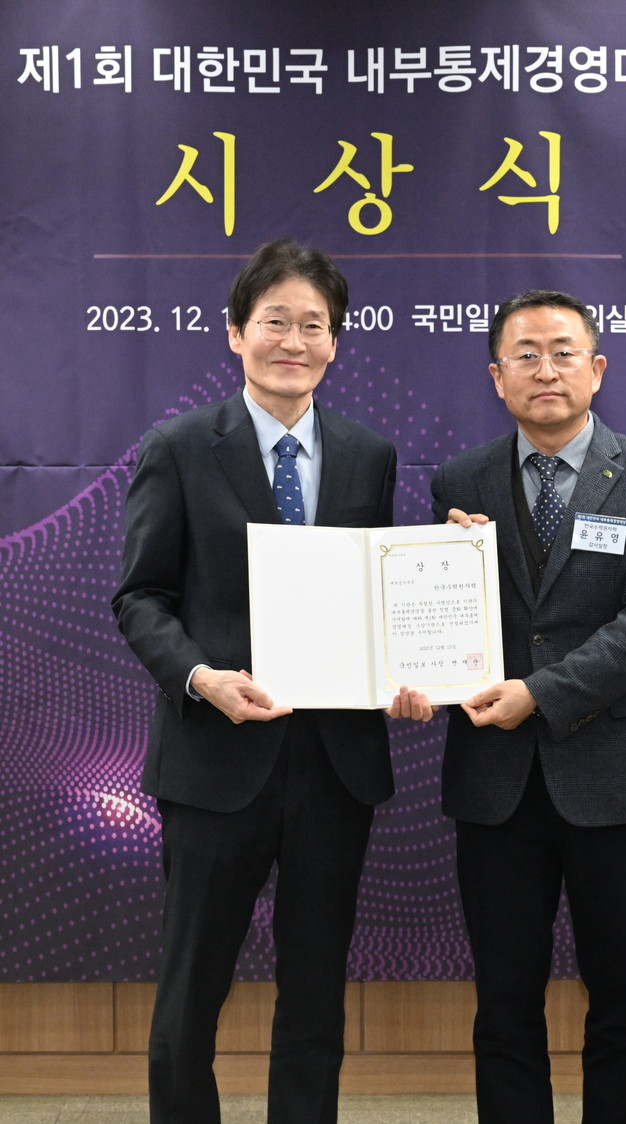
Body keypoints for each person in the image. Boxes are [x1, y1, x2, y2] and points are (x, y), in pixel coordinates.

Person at [112, 238, 431, 1124]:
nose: (293, 341)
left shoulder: (368, 453)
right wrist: (200, 677)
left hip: (335, 764)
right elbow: (140, 597)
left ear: (336, 343)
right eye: (274, 321)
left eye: (313, 326)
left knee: (317, 992)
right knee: (191, 992)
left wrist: (411, 664)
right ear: (235, 333)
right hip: (215, 760)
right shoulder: (179, 446)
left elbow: (373, 591)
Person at [431, 290, 626, 1123]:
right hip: (496, 780)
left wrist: (539, 694)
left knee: (622, 996)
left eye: (562, 351)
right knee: (503, 999)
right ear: (496, 376)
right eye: (525, 354)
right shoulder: (461, 481)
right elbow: (444, 623)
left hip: (620, 776)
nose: (545, 369)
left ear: (597, 367)